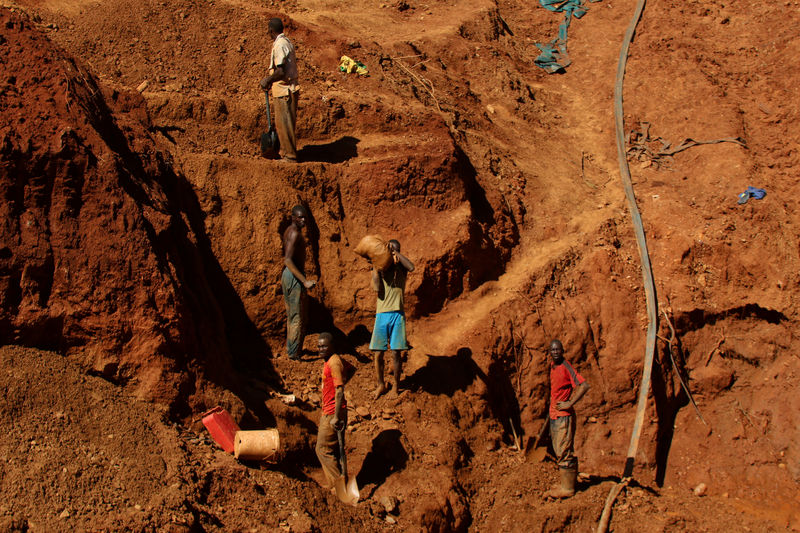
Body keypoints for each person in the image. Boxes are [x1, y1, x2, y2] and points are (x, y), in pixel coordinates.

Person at [545, 339, 590, 498]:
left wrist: (570, 403)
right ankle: (569, 482)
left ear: (562, 351)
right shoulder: (552, 366)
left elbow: (584, 385)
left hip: (564, 417)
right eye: (553, 350)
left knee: (564, 450)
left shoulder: (566, 366)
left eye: (558, 350)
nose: (555, 352)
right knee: (560, 449)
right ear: (550, 352)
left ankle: (568, 489)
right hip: (554, 415)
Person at [369, 239, 414, 399]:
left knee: (396, 353)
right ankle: (381, 384)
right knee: (378, 353)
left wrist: (397, 254)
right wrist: (376, 269)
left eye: (395, 251)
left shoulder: (402, 269)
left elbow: (412, 266)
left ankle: (396, 385)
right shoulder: (381, 269)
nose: (392, 254)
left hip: (397, 314)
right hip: (382, 314)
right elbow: (376, 287)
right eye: (390, 251)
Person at [259, 17, 300, 162]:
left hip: (284, 91)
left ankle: (290, 156)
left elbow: (281, 71)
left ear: (270, 30)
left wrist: (268, 80)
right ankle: (286, 152)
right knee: (284, 124)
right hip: (285, 89)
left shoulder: (280, 45)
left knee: (285, 124)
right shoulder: (286, 41)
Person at [315, 332, 350, 488]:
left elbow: (340, 390)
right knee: (335, 449)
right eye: (319, 346)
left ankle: (338, 487)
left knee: (322, 449)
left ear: (332, 346)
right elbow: (351, 369)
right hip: (333, 410)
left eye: (324, 346)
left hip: (332, 413)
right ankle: (340, 483)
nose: (320, 349)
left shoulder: (334, 363)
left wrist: (336, 416)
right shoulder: (332, 360)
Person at [282, 205, 316, 360]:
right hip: (294, 276)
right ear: (293, 217)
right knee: (297, 317)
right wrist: (304, 281)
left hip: (290, 275)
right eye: (300, 217)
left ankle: (293, 350)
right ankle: (294, 353)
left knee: (294, 315)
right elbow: (288, 260)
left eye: (305, 218)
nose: (303, 220)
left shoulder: (290, 231)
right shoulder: (295, 233)